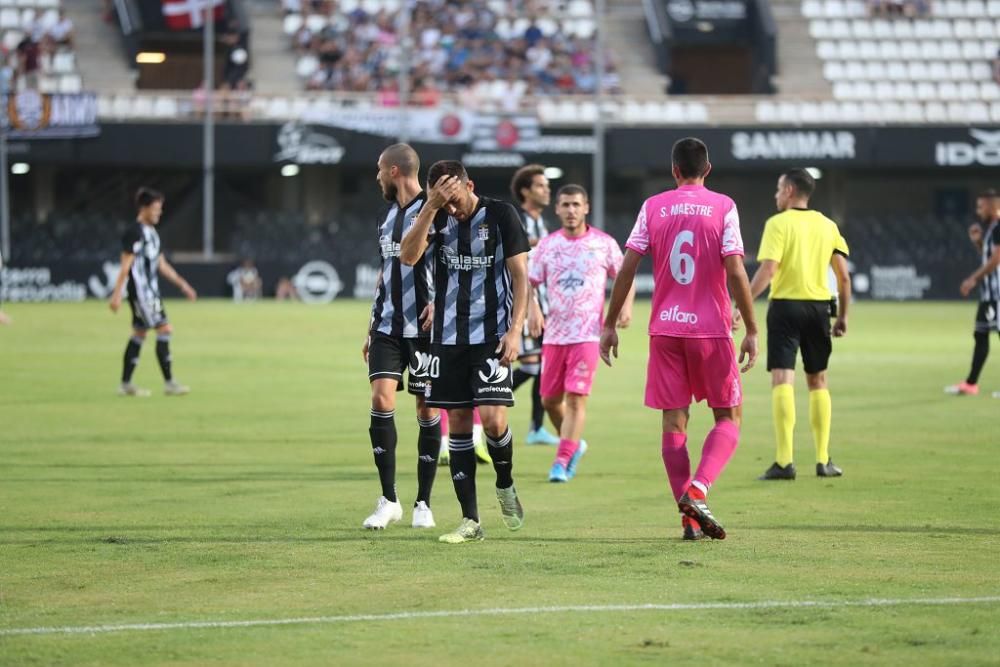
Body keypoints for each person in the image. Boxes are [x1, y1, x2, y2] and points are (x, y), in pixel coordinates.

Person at [600, 137, 758, 541]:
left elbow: (627, 267)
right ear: (708, 170)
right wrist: (753, 328)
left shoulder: (653, 207)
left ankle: (689, 520)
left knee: (674, 421)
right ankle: (698, 490)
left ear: (674, 171)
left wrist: (609, 323)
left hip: (666, 328)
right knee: (728, 416)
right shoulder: (723, 206)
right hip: (711, 329)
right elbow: (737, 270)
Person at [400, 160, 530, 544]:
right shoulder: (436, 216)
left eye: (455, 199)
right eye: (445, 202)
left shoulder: (501, 214)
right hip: (448, 336)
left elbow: (521, 277)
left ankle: (505, 484)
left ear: (469, 184)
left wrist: (515, 330)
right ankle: (470, 521)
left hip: (492, 334)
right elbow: (408, 256)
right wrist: (430, 207)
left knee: (492, 421)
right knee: (457, 421)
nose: (453, 209)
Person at [748, 168, 851, 480]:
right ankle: (823, 460)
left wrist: (743, 305)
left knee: (782, 380)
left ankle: (784, 461)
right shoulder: (828, 225)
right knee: (818, 381)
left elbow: (768, 270)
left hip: (784, 308)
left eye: (779, 189)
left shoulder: (778, 224)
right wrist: (843, 315)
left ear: (790, 190)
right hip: (819, 309)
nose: (776, 195)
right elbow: (843, 277)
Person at [528, 184, 634, 483]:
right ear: (557, 209)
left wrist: (626, 306)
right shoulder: (547, 246)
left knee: (576, 398)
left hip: (588, 334)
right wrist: (533, 308)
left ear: (586, 207)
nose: (571, 210)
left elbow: (625, 275)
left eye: (576, 204)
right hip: (554, 335)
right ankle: (574, 444)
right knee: (549, 400)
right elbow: (528, 283)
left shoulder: (603, 244)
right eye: (565, 205)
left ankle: (561, 461)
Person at [361, 143, 442, 530]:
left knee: (426, 410)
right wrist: (369, 326)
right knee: (381, 397)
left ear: (394, 171)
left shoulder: (436, 211)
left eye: (380, 169)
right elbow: (384, 272)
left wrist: (441, 302)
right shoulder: (386, 215)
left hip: (425, 332)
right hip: (387, 327)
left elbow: (452, 265)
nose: (376, 176)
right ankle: (388, 498)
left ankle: (423, 502)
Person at [109, 187, 197, 397]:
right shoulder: (135, 232)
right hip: (142, 293)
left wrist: (182, 284)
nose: (159, 213)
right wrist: (116, 295)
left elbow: (161, 264)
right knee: (164, 330)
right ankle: (169, 383)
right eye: (156, 209)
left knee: (139, 333)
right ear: (144, 208)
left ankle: (125, 384)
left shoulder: (152, 234)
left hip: (150, 292)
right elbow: (125, 265)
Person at [509, 163, 560, 446]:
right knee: (531, 366)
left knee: (538, 365)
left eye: (547, 186)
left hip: (542, 305)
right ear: (526, 191)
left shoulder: (541, 222)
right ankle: (481, 401)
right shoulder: (518, 219)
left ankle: (536, 428)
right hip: (524, 304)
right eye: (541, 186)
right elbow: (520, 258)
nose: (546, 190)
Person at [947, 190, 1000, 397]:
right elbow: (990, 258)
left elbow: (996, 260)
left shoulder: (998, 228)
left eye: (981, 207)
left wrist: (972, 279)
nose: (979, 211)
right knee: (980, 335)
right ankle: (971, 384)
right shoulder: (991, 230)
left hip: (997, 295)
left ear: (993, 206)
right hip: (989, 296)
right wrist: (978, 242)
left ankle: (971, 383)